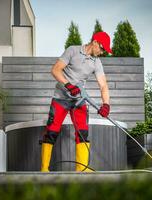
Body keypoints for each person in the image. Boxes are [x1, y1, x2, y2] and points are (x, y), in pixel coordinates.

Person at [40, 32, 112, 172]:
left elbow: (103, 85)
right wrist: (68, 85)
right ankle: (44, 169)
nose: (102, 52)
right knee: (51, 132)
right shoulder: (72, 50)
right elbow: (55, 70)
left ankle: (82, 169)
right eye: (102, 49)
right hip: (61, 97)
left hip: (79, 100)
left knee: (83, 133)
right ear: (95, 42)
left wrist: (106, 104)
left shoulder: (96, 62)